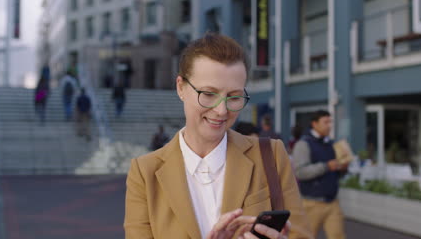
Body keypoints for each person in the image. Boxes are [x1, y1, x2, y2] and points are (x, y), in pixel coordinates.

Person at [124, 33, 312, 239]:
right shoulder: (145, 173)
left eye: (234, 96)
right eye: (208, 94)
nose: (221, 110)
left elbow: (301, 234)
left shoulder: (271, 155)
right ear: (181, 88)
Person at [292, 110, 348, 239]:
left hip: (332, 202)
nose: (329, 125)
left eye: (330, 122)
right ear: (314, 124)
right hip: (311, 203)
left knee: (338, 236)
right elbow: (300, 173)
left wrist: (342, 168)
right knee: (304, 236)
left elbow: (336, 172)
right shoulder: (303, 144)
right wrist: (326, 166)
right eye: (325, 122)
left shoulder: (331, 144)